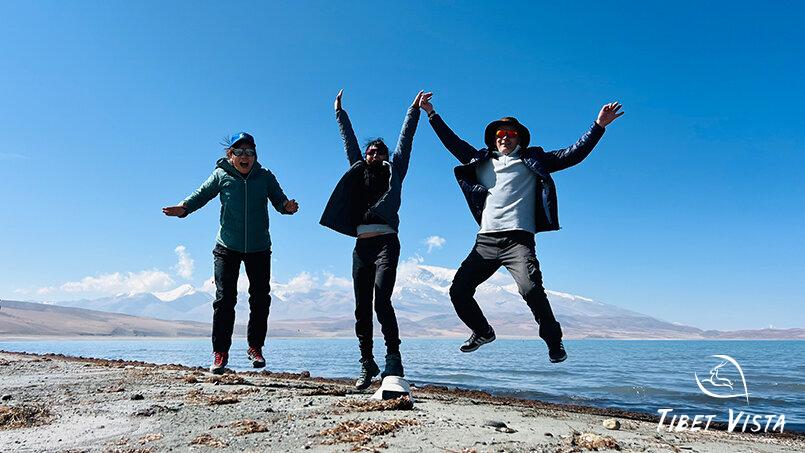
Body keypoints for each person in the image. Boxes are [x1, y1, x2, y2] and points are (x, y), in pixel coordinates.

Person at [418, 92, 623, 362]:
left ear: (520, 138)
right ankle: (482, 331)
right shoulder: (480, 161)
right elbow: (453, 143)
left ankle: (554, 342)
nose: (505, 136)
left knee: (531, 289)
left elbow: (573, 154)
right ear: (494, 138)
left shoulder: (533, 160)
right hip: (486, 241)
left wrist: (598, 127)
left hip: (518, 240)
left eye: (511, 133)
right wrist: (431, 114)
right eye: (500, 133)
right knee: (458, 291)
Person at [162, 132, 299, 374]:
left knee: (260, 298)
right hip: (227, 246)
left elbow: (280, 201)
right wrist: (184, 208)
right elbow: (201, 194)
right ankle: (220, 353)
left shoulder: (265, 176)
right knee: (225, 299)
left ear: (255, 156)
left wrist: (288, 207)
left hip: (259, 247)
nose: (245, 156)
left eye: (250, 152)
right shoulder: (221, 175)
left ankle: (255, 347)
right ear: (230, 155)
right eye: (239, 152)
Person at [320, 90, 422, 389]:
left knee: (382, 299)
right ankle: (367, 362)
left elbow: (406, 140)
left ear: (386, 156)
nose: (373, 155)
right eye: (370, 152)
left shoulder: (395, 171)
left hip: (387, 243)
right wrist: (339, 112)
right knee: (361, 307)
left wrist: (413, 110)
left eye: (379, 151)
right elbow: (348, 141)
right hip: (361, 247)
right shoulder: (358, 169)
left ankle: (393, 359)